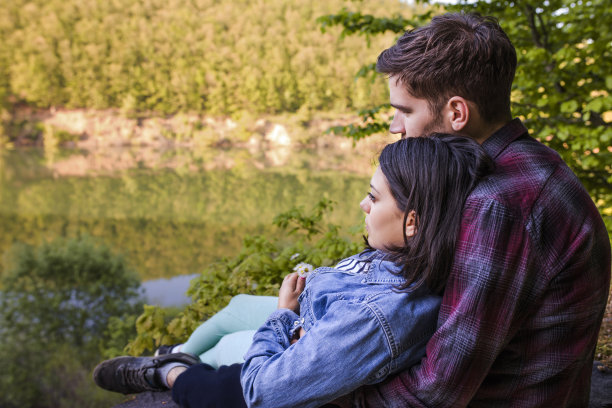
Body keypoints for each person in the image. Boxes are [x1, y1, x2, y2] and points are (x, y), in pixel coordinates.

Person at [96, 11, 611, 407]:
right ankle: (183, 365)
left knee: (268, 375)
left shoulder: (501, 203)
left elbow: (437, 393)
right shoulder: (524, 164)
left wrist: (320, 384)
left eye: (404, 112)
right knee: (257, 333)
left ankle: (175, 372)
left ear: (457, 113)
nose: (394, 128)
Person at [93, 134, 494, 408]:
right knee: (236, 307)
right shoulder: (402, 256)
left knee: (219, 373)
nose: (362, 205)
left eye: (373, 197)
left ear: (412, 222)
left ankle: (166, 373)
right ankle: (177, 353)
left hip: (294, 344)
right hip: (310, 320)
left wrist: (284, 316)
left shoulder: (376, 318)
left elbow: (262, 390)